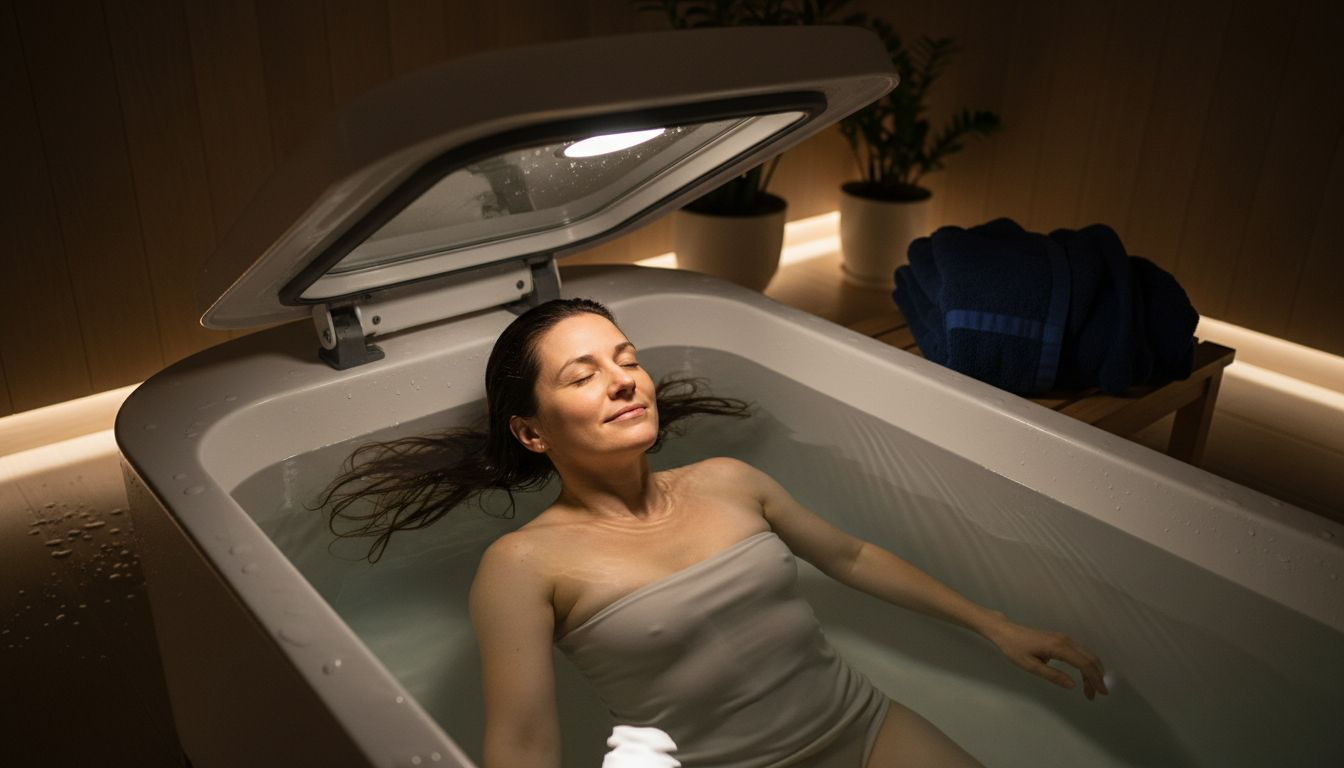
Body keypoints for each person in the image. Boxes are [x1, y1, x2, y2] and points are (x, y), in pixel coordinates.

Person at [318, 298, 1109, 768]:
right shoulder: (523, 565)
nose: (623, 378)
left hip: (866, 732)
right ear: (531, 433)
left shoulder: (730, 481)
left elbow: (851, 556)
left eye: (625, 358)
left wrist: (996, 625)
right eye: (582, 374)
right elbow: (523, 745)